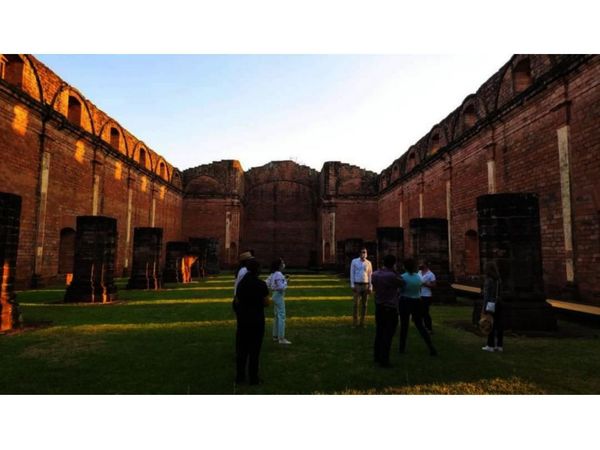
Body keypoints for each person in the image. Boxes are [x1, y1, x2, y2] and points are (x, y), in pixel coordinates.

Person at [235, 258, 269, 385]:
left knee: (241, 350)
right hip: (257, 320)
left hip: (243, 319)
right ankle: (253, 378)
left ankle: (240, 377)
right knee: (255, 351)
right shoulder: (261, 284)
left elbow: (237, 300)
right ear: (257, 270)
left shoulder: (241, 283)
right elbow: (266, 302)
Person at [398, 258, 437, 356]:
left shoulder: (403, 277)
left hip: (405, 301)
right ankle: (430, 346)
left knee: (404, 326)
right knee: (420, 325)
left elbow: (400, 290)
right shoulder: (418, 277)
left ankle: (401, 348)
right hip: (416, 301)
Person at [371, 254, 404, 368]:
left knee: (379, 332)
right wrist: (395, 271)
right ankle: (384, 360)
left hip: (379, 307)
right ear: (393, 264)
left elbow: (374, 285)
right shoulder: (392, 276)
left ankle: (376, 356)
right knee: (388, 335)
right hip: (390, 308)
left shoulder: (374, 274)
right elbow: (403, 283)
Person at [266, 258, 291, 345]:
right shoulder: (279, 274)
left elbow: (267, 283)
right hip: (279, 295)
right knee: (282, 316)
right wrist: (286, 282)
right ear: (279, 265)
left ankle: (275, 335)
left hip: (274, 295)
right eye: (282, 263)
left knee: (277, 316)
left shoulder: (273, 274)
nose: (283, 264)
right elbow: (281, 287)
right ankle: (281, 338)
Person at [481, 261, 503, 352]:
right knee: (499, 324)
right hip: (499, 303)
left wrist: (484, 307)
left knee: (489, 323)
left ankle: (490, 345)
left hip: (490, 304)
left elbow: (487, 295)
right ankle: (499, 345)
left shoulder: (488, 280)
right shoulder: (498, 280)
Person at [349, 247, 373, 327]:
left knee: (365, 305)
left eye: (365, 252)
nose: (364, 254)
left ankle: (362, 323)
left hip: (365, 285)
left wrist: (370, 286)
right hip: (357, 284)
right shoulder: (354, 261)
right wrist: (352, 285)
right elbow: (352, 273)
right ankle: (355, 323)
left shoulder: (368, 263)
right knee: (356, 304)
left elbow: (370, 275)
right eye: (363, 252)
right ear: (360, 253)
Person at [418, 261, 437, 334]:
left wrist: (425, 284)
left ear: (425, 265)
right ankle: (422, 327)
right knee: (420, 312)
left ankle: (429, 328)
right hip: (419, 295)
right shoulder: (419, 272)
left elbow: (434, 286)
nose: (420, 265)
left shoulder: (431, 274)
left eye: (421, 264)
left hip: (426, 295)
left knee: (425, 312)